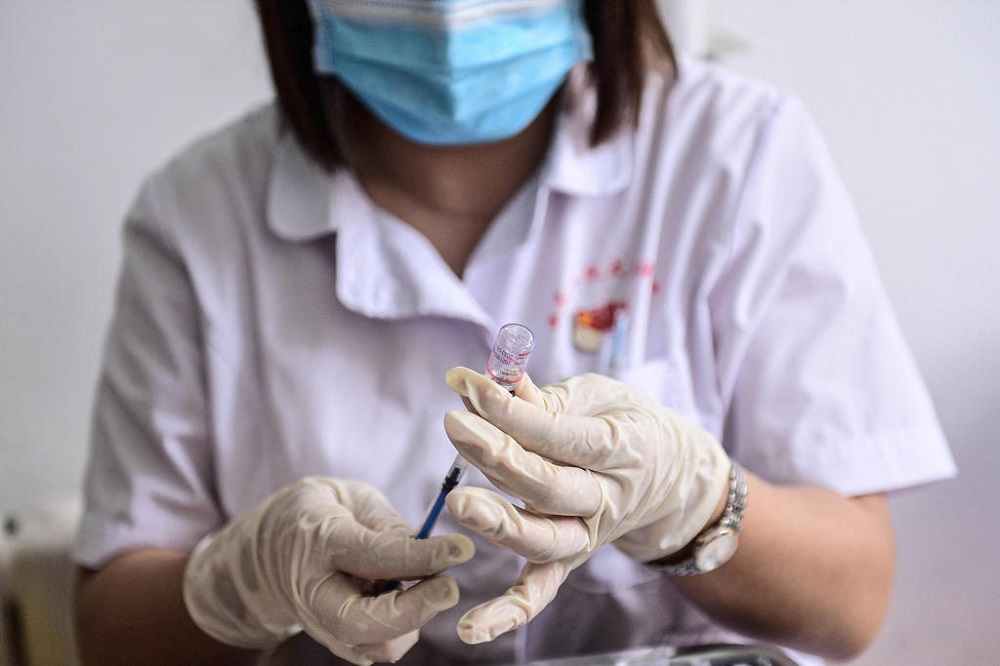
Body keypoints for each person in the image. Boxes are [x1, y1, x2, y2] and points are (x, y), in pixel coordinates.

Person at [71, 1, 957, 664]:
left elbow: (851, 600)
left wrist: (691, 500)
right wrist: (244, 581)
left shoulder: (737, 152)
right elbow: (110, 633)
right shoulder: (196, 217)